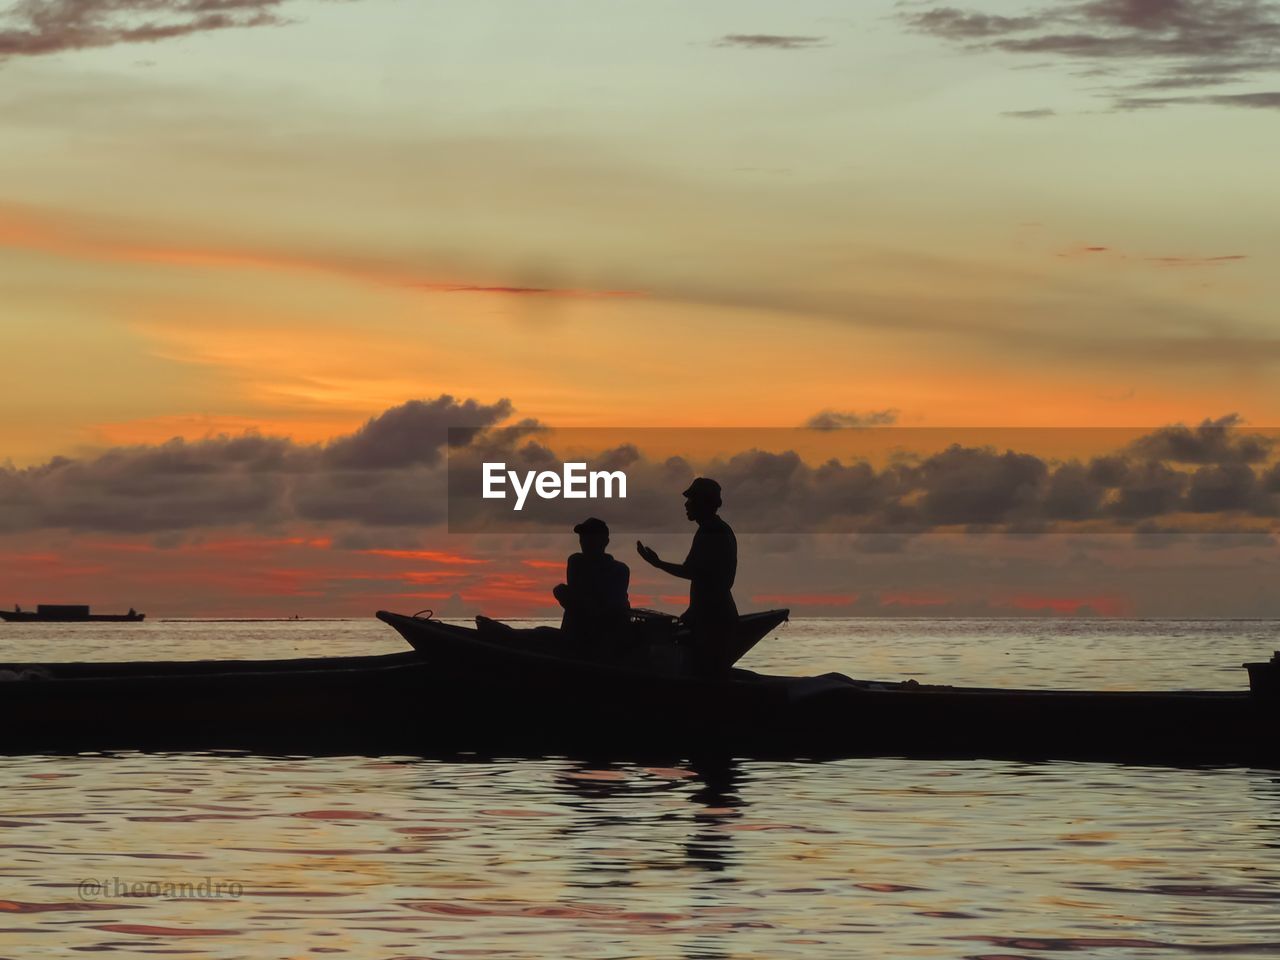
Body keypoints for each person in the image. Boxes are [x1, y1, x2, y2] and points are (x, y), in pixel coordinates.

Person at [636, 477, 738, 675]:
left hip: (713, 619)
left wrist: (657, 564)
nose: (686, 504)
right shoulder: (715, 529)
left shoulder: (711, 531)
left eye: (691, 499)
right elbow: (703, 576)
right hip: (714, 615)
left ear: (704, 503)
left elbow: (694, 573)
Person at [553, 517, 631, 642]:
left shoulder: (619, 570)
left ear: (605, 541)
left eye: (591, 537)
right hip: (577, 635)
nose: (585, 541)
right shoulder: (576, 561)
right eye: (583, 537)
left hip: (597, 639)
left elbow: (599, 607)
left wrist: (561, 592)